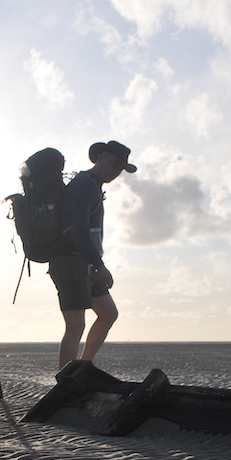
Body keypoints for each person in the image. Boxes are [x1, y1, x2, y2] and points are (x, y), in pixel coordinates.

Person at [49, 139, 136, 370]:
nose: (115, 171)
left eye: (120, 168)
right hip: (69, 261)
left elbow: (86, 233)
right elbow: (79, 231)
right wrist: (99, 266)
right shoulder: (85, 185)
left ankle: (83, 368)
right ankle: (65, 382)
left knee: (108, 313)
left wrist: (95, 264)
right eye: (113, 164)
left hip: (84, 262)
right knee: (75, 325)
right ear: (100, 157)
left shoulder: (93, 186)